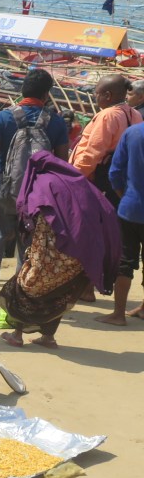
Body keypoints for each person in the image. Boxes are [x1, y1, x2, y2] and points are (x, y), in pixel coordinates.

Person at [0, 70, 70, 313]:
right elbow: (62, 164)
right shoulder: (55, 122)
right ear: (46, 94)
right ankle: (18, 305)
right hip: (36, 197)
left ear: (22, 90)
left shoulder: (3, 118)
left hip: (3, 190)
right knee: (28, 250)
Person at [0, 152, 121, 348]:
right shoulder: (78, 183)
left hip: (51, 251)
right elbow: (104, 210)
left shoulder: (42, 184)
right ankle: (48, 337)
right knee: (58, 294)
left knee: (23, 288)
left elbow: (41, 222)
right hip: (78, 254)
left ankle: (17, 335)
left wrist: (33, 255)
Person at [98, 118, 144, 325]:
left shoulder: (133, 133)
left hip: (131, 208)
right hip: (131, 206)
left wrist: (124, 195)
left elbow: (115, 172)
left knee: (126, 261)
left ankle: (118, 314)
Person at [70, 75, 142, 206]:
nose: (94, 96)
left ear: (107, 95)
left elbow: (93, 153)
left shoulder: (108, 115)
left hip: (100, 179)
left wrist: (73, 176)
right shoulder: (135, 114)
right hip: (122, 177)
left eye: (96, 93)